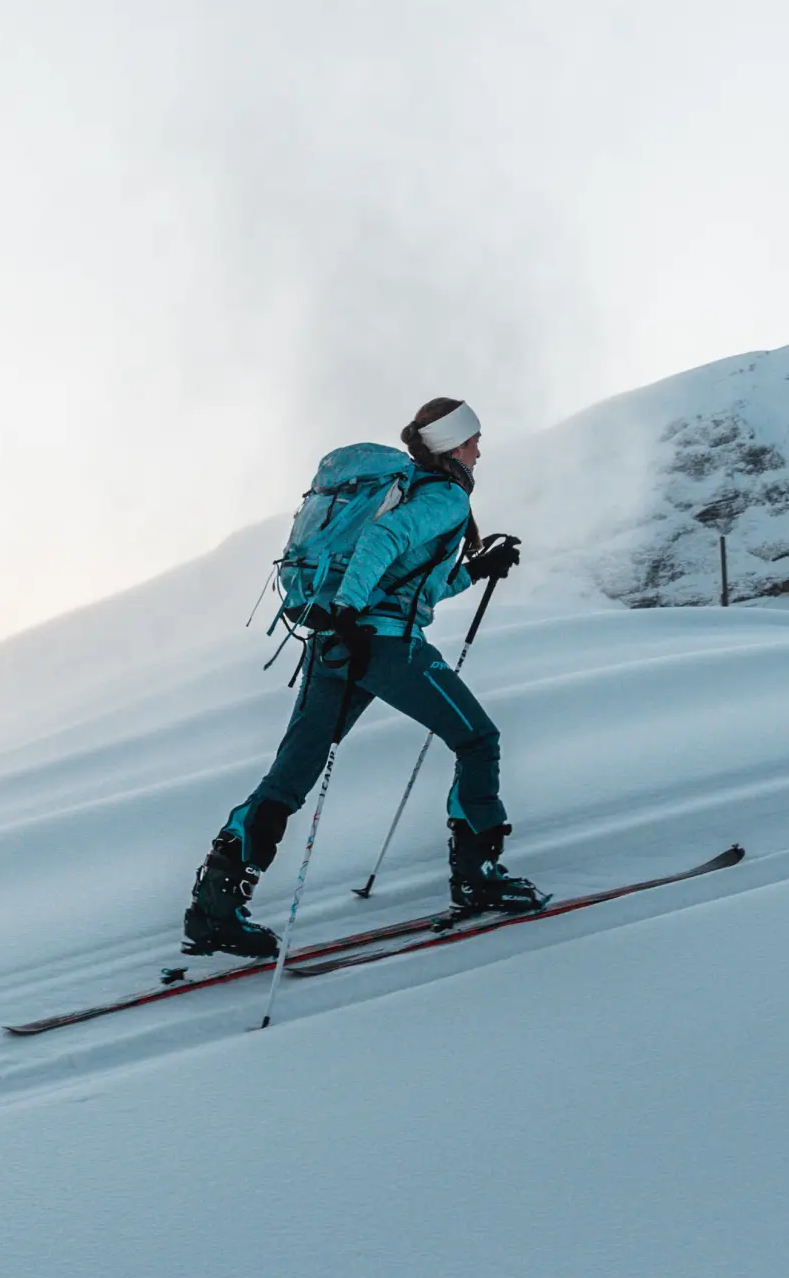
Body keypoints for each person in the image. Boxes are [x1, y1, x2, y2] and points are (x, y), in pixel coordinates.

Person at [183, 396, 541, 958]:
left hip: (335, 644)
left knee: (288, 778)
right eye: (473, 440)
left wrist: (472, 570)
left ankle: (215, 906)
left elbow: (414, 585)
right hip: (382, 645)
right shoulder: (443, 496)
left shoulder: (409, 490)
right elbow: (382, 546)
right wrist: (352, 609)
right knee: (478, 739)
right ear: (453, 446)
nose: (479, 449)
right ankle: (478, 877)